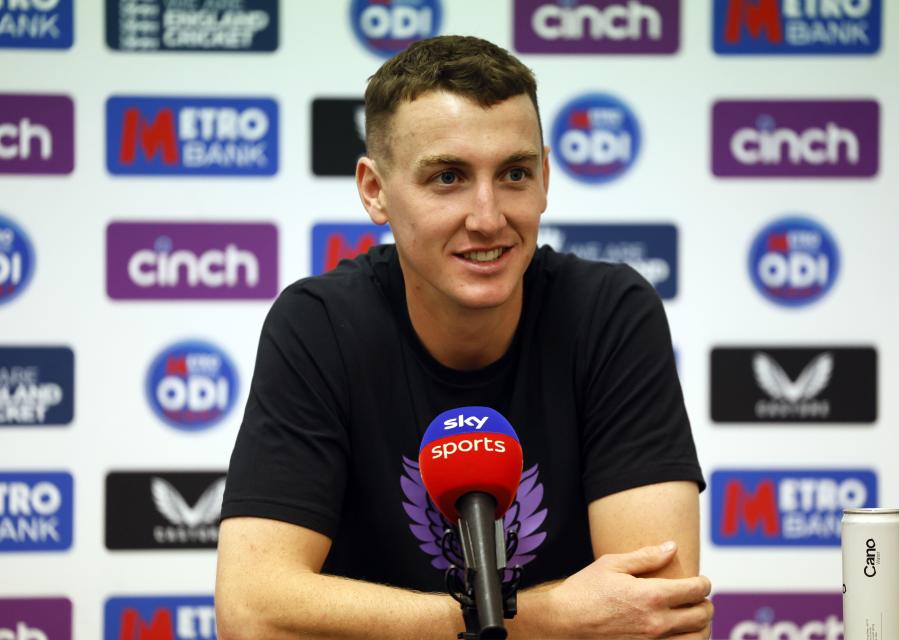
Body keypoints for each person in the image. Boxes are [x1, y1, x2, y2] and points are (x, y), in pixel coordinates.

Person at [215, 35, 712, 639]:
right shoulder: (319, 325)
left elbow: (657, 614)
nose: (487, 216)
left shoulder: (609, 313)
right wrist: (540, 619)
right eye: (448, 177)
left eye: (515, 174)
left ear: (546, 178)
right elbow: (251, 614)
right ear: (374, 190)